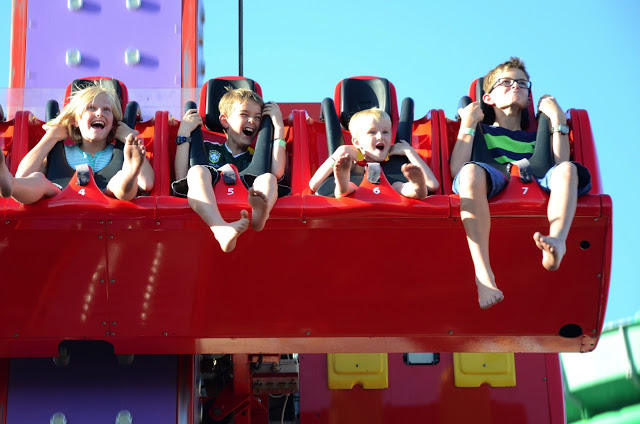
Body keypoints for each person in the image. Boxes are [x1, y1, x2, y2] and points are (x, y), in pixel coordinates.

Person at [451, 57, 591, 309]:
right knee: (470, 172)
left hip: (537, 178)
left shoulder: (535, 137)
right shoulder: (483, 133)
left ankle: (557, 241)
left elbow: (560, 163)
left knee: (569, 169)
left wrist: (557, 118)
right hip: (493, 176)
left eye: (522, 83)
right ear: (488, 98)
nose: (515, 86)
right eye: (506, 82)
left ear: (528, 99)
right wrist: (468, 123)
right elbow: (456, 169)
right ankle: (483, 274)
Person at [173, 88, 287, 253]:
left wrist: (279, 128)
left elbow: (277, 172)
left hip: (247, 192)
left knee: (268, 178)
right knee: (197, 171)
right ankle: (219, 228)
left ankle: (260, 216)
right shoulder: (207, 148)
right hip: (209, 192)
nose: (252, 121)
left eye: (257, 117)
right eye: (244, 114)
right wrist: (184, 133)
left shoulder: (257, 159)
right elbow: (181, 175)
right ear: (225, 121)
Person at [0, 84, 153, 203]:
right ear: (75, 121)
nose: (99, 113)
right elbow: (23, 175)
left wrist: (127, 138)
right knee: (38, 178)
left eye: (106, 110)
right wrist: (50, 138)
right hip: (62, 195)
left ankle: (130, 175)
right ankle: (10, 185)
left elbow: (146, 183)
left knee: (120, 178)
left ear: (113, 124)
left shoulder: (121, 154)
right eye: (91, 108)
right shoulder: (61, 152)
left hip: (108, 195)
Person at [309, 107, 439, 198]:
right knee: (350, 186)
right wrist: (338, 153)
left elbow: (433, 185)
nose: (380, 137)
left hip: (391, 193)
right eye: (372, 132)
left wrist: (410, 152)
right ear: (357, 142)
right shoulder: (352, 158)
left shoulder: (393, 157)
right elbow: (314, 184)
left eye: (385, 132)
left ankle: (417, 187)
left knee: (401, 186)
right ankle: (342, 183)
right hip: (356, 192)